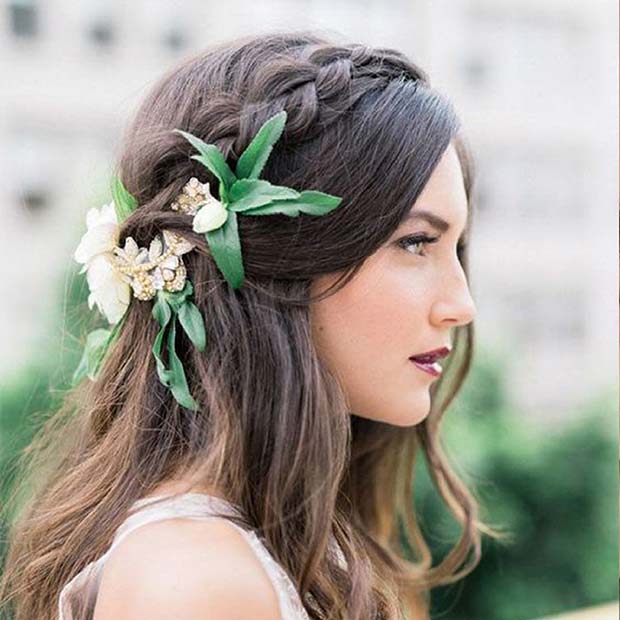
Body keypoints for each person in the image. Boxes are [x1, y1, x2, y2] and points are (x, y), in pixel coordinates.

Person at [0, 30, 503, 620]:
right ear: (281, 257)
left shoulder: (281, 537)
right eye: (416, 243)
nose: (461, 306)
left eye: (456, 249)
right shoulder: (195, 583)